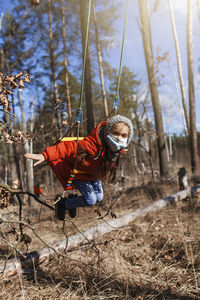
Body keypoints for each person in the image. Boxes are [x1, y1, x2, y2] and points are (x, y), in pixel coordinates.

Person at [25, 115, 133, 220]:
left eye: (124, 136)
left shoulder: (113, 151)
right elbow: (66, 148)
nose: (119, 138)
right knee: (91, 200)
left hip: (92, 175)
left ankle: (72, 201)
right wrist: (45, 155)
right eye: (115, 133)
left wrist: (118, 152)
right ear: (107, 132)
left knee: (99, 198)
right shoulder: (89, 145)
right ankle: (63, 204)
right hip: (79, 174)